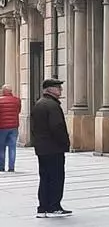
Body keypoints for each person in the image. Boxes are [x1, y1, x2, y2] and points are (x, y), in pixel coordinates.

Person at [30, 78, 70, 218]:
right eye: (58, 87)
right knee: (56, 177)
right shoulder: (52, 105)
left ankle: (43, 207)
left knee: (45, 177)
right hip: (54, 148)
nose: (60, 90)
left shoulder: (39, 104)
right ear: (49, 90)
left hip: (42, 148)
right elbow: (57, 127)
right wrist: (65, 142)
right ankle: (54, 206)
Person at [0, 84, 21, 172]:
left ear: (3, 91)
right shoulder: (17, 100)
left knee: (1, 147)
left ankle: (1, 167)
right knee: (12, 147)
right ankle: (11, 167)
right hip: (14, 126)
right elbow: (18, 111)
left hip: (2, 127)